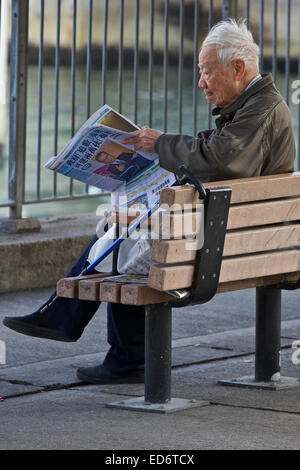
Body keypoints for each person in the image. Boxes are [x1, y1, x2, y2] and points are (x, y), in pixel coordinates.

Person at [3, 18, 295, 385]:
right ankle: (69, 318)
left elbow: (225, 160)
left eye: (207, 72)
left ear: (238, 69)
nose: (201, 82)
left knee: (126, 235)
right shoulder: (258, 105)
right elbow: (226, 157)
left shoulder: (263, 109)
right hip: (241, 238)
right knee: (126, 222)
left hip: (217, 243)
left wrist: (161, 144)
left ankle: (108, 344)